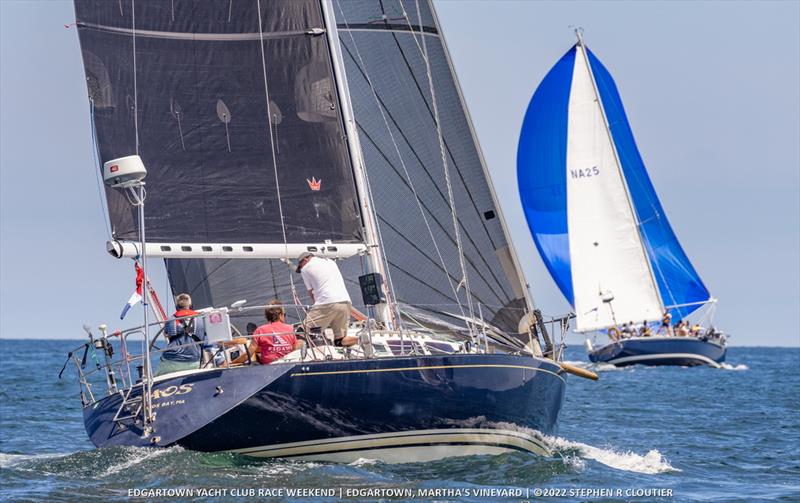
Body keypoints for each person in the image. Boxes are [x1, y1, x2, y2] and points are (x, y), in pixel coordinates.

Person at [296, 252, 358, 347]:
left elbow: (311, 293)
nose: (300, 269)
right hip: (345, 302)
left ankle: (298, 359)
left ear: (305, 260)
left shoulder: (305, 269)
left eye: (300, 266)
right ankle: (362, 339)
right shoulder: (331, 262)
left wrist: (317, 311)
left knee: (301, 332)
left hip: (326, 302)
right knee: (340, 340)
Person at [156, 293, 205, 376]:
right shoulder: (201, 318)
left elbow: (166, 335)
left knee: (155, 378)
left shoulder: (170, 319)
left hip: (171, 361)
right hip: (194, 362)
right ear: (190, 304)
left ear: (177, 304)